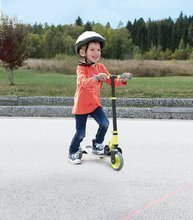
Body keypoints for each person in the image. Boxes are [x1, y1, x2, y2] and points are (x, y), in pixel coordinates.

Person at [68, 31, 132, 164]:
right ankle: (72, 151)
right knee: (80, 134)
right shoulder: (81, 68)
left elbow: (111, 80)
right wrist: (96, 78)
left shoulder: (101, 67)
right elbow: (83, 82)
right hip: (81, 106)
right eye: (92, 49)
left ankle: (97, 144)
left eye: (98, 50)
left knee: (105, 123)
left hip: (95, 104)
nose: (96, 53)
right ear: (82, 52)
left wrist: (123, 78)